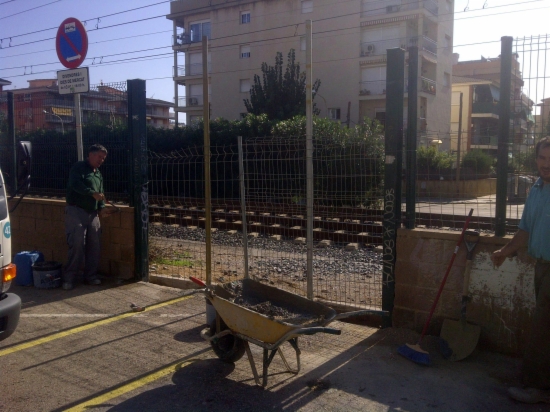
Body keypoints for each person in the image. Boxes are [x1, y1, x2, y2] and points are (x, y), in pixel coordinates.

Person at [491, 136, 550, 404]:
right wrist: (504, 251)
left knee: (542, 327)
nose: (546, 164)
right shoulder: (536, 189)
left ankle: (537, 388)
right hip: (542, 267)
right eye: (542, 158)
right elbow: (525, 231)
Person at [63, 144, 115, 290]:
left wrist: (102, 208)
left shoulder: (98, 174)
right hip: (76, 211)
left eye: (103, 158)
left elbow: (101, 193)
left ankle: (90, 276)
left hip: (92, 214)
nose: (101, 160)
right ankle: (69, 278)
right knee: (77, 244)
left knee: (94, 245)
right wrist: (91, 193)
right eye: (99, 157)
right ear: (91, 155)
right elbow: (74, 184)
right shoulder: (78, 168)